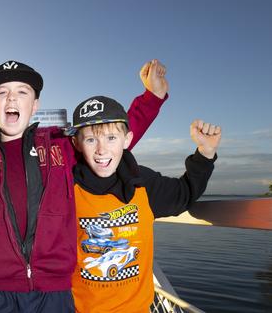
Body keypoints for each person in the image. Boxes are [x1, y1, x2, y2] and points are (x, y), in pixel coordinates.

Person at [0, 59, 168, 312]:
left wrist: (151, 98)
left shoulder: (62, 146)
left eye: (22, 92)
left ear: (35, 105)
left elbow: (107, 134)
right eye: (2, 92)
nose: (12, 98)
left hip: (55, 292)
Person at [66, 95, 221, 312]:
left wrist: (205, 153)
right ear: (77, 144)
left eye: (111, 138)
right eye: (91, 139)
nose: (101, 150)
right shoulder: (64, 189)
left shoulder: (143, 184)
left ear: (127, 139)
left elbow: (184, 193)